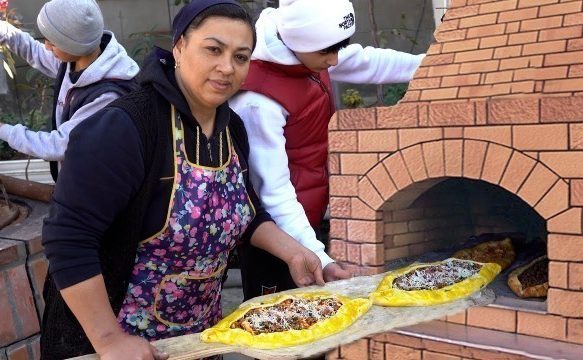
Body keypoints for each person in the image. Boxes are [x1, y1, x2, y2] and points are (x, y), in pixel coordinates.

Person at [39, 1, 327, 359]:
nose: (227, 68)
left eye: (241, 57)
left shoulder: (231, 128)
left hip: (199, 340)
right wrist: (109, 340)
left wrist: (297, 252)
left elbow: (242, 211)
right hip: (116, 344)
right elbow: (68, 239)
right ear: (178, 46)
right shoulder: (125, 128)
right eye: (213, 49)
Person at [230, 0, 426, 300]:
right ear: (300, 42)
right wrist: (319, 257)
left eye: (339, 47)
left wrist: (435, 65)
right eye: (328, 51)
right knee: (283, 326)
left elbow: (367, 62)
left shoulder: (308, 51)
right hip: (276, 238)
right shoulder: (258, 102)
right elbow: (273, 192)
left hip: (307, 218)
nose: (334, 60)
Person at [0, 0, 138, 181]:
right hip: (76, 173)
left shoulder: (106, 96)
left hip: (95, 184)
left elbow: (58, 144)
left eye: (53, 43)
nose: (46, 47)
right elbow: (32, 50)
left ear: (74, 45)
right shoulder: (74, 60)